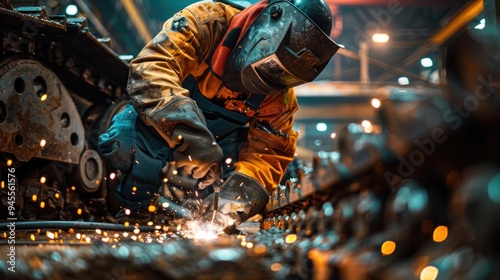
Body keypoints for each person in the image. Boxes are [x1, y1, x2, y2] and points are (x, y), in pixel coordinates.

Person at [98, 0, 341, 227]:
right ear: (268, 23)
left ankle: (206, 213)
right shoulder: (204, 24)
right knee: (125, 143)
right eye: (270, 68)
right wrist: (192, 138)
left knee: (280, 173)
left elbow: (270, 155)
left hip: (222, 146)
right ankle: (135, 210)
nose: (270, 84)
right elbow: (151, 70)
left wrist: (231, 204)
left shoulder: (281, 94)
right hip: (159, 126)